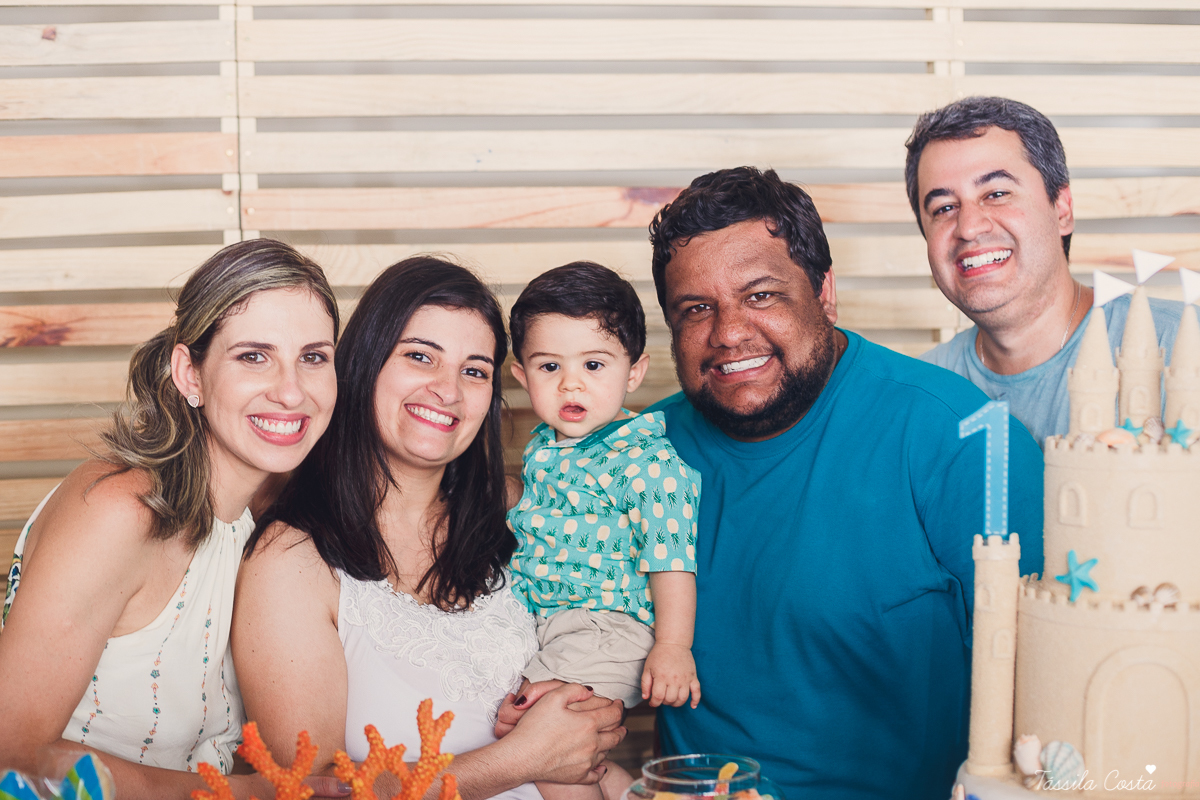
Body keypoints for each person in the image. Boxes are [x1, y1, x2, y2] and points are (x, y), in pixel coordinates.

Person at [644, 167, 1044, 800]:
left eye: (761, 295)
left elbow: (1050, 690)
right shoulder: (637, 455)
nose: (727, 333)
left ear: (824, 293)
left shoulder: (969, 439)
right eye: (696, 309)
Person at [234, 257, 626, 800]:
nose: (448, 390)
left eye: (474, 370)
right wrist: (521, 758)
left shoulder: (522, 510)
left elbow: (605, 626)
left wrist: (593, 703)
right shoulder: (292, 559)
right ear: (364, 364)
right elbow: (306, 788)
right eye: (421, 357)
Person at [0, 239, 341, 799]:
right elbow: (13, 756)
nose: (290, 391)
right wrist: (257, 794)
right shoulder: (117, 509)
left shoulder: (270, 519)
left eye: (313, 357)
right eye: (253, 356)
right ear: (190, 374)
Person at [506, 262, 702, 800]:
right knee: (555, 746)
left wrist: (673, 647)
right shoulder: (545, 447)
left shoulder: (646, 460)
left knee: (547, 739)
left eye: (594, 364)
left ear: (633, 372)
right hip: (547, 623)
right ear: (522, 376)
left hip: (607, 628)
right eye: (549, 366)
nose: (572, 383)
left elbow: (671, 560)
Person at [906, 96, 1182, 444]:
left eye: (996, 193)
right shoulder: (921, 394)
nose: (969, 227)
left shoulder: (1181, 345)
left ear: (1062, 209)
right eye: (944, 207)